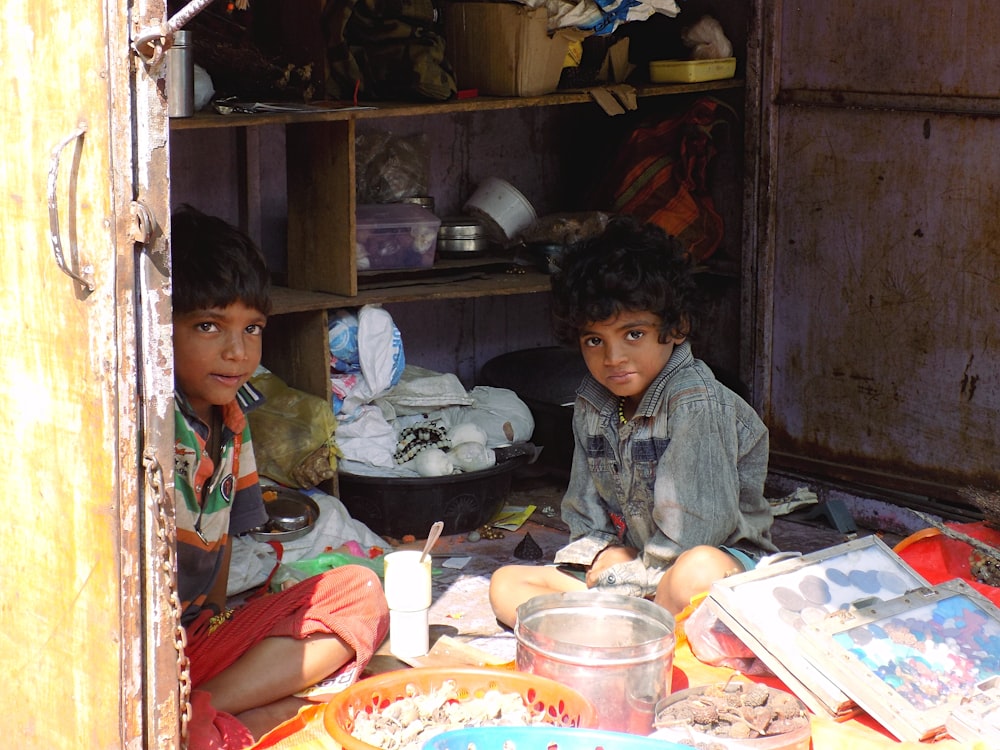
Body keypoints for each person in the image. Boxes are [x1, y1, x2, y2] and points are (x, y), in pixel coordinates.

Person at [170, 205, 389, 746]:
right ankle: (212, 713)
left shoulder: (232, 420)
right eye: (207, 326)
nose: (237, 351)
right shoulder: (153, 426)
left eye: (252, 328)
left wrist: (218, 624)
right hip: (144, 657)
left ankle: (207, 709)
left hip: (196, 644)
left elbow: (220, 549)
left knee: (359, 590)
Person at [489, 216, 777, 627]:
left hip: (718, 572)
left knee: (699, 571)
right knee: (506, 585)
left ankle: (621, 630)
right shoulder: (591, 401)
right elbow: (583, 506)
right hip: (637, 577)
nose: (613, 358)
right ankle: (631, 629)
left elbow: (698, 531)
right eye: (594, 340)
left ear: (676, 327)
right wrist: (601, 552)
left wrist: (632, 576)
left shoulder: (695, 404)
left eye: (634, 334)